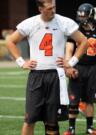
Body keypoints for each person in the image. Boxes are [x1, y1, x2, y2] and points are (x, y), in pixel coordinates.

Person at [6, 0, 88, 135]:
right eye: (49, 8)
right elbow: (10, 41)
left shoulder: (63, 22)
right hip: (36, 75)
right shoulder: (31, 23)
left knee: (52, 121)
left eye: (54, 7)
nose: (53, 11)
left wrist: (71, 61)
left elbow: (83, 41)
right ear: (40, 9)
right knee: (29, 119)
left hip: (56, 75)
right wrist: (21, 62)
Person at [63, 3, 96, 135]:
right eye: (80, 15)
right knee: (74, 100)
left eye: (84, 15)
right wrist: (68, 67)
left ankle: (89, 127)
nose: (82, 17)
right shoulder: (74, 31)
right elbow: (69, 50)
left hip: (93, 69)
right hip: (77, 68)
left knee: (89, 100)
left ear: (91, 16)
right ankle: (71, 128)